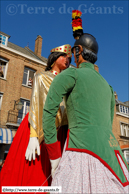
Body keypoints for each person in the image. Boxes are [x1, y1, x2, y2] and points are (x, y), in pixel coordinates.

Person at [43, 33, 129, 193]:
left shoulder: (71, 74)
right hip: (112, 156)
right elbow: (109, 122)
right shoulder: (108, 86)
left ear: (78, 50)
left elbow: (48, 111)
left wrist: (54, 155)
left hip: (80, 152)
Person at [0, 44, 72, 188]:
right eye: (64, 56)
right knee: (34, 169)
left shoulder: (68, 82)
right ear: (55, 58)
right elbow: (36, 103)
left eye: (69, 58)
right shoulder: (41, 76)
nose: (67, 60)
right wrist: (33, 136)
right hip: (37, 124)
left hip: (60, 130)